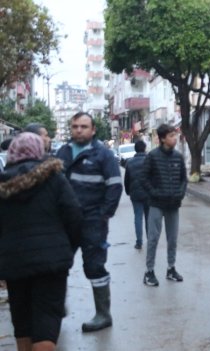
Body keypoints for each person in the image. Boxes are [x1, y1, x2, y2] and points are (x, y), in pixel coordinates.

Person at [0, 133, 82, 351]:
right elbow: (74, 217)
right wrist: (66, 250)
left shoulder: (2, 183)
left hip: (14, 265)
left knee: (22, 321)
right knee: (46, 320)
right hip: (51, 264)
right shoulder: (54, 178)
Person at [55, 112, 122, 332]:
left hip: (93, 221)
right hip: (65, 222)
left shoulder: (103, 154)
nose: (79, 130)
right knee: (59, 264)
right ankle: (57, 305)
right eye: (75, 126)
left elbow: (114, 186)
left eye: (84, 126)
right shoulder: (62, 152)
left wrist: (104, 214)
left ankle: (103, 314)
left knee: (94, 266)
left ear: (93, 130)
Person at [142, 124, 187, 287]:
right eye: (171, 136)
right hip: (156, 204)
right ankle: (149, 272)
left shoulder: (178, 157)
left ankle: (171, 268)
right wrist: (155, 193)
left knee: (172, 239)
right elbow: (144, 178)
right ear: (162, 139)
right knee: (153, 238)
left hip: (173, 204)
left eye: (175, 135)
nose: (174, 138)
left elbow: (184, 179)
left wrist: (180, 193)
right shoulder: (152, 156)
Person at [124, 140, 149, 250]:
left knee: (138, 217)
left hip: (135, 194)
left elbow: (126, 180)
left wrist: (128, 191)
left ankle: (139, 242)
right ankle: (150, 240)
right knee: (149, 218)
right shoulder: (150, 161)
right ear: (144, 149)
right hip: (149, 193)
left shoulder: (130, 162)